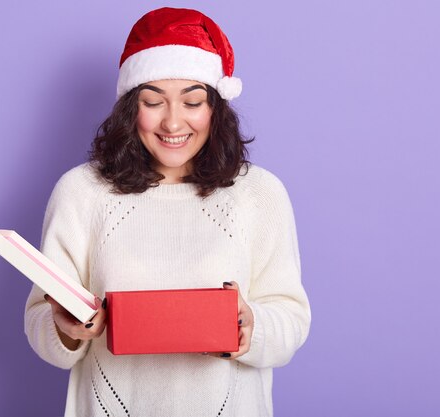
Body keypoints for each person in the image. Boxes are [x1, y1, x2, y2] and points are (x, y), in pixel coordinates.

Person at [24, 7, 311, 417]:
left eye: (192, 101)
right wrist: (66, 330)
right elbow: (40, 319)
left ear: (215, 107)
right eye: (153, 102)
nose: (173, 122)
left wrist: (252, 326)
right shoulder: (82, 192)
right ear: (130, 108)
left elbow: (292, 318)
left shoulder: (259, 193)